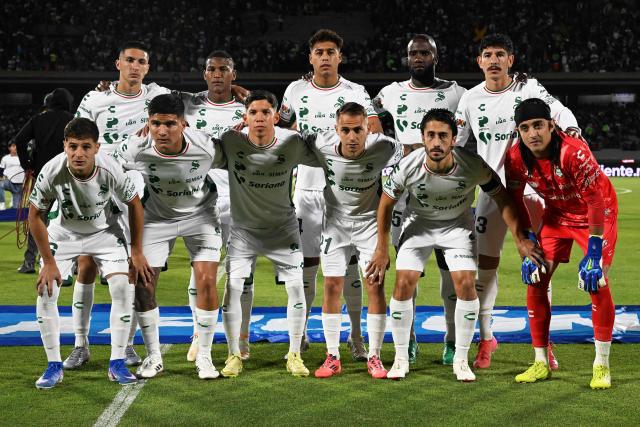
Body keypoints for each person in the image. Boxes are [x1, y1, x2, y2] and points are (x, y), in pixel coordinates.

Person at [367, 108, 540, 381]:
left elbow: (502, 198)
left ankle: (461, 359)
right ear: (423, 138)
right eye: (431, 135)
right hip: (419, 225)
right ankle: (400, 359)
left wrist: (520, 237)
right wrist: (381, 247)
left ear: (454, 138)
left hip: (457, 227)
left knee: (465, 284)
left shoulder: (472, 164)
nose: (437, 142)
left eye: (443, 136)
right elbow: (386, 204)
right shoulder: (408, 166)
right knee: (404, 282)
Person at [455, 34, 580, 369]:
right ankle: (485, 338)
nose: (493, 60)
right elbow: (459, 146)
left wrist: (574, 131)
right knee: (485, 268)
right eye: (487, 55)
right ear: (479, 62)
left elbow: (559, 110)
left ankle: (544, 345)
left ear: (511, 59)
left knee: (540, 269)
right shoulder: (469, 99)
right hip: (493, 193)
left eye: (500, 54)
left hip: (533, 192)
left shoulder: (528, 89)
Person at [279, 29, 382, 360]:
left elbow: (375, 131)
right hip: (307, 190)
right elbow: (281, 132)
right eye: (319, 52)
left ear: (340, 57)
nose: (325, 57)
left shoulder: (356, 92)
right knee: (307, 266)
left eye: (331, 51)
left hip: (344, 193)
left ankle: (356, 337)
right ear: (311, 57)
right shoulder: (295, 90)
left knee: (350, 267)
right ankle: (305, 332)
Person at [68, 41, 171, 370]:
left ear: (147, 67)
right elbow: (77, 134)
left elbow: (198, 102)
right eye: (130, 60)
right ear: (118, 64)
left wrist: (235, 88)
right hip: (96, 185)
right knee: (85, 264)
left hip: (136, 185)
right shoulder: (97, 98)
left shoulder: (156, 96)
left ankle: (125, 345)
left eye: (142, 61)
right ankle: (80, 345)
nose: (136, 66)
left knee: (131, 268)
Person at [28, 117, 151, 389]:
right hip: (64, 234)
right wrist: (48, 262)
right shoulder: (52, 170)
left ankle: (117, 362)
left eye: (85, 147)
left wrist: (137, 250)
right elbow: (35, 216)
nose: (78, 153)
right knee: (46, 290)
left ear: (96, 147)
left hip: (104, 234)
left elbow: (135, 204)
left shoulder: (111, 168)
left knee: (122, 287)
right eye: (73, 147)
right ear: (65, 146)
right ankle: (53, 366)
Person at [505, 98, 617, 389]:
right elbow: (515, 199)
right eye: (525, 128)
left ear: (551, 126)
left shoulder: (574, 153)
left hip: (596, 214)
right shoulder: (515, 157)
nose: (533, 134)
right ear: (518, 131)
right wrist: (528, 237)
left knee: (596, 280)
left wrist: (594, 252)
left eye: (539, 125)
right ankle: (541, 362)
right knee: (535, 277)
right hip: (557, 215)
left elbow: (595, 199)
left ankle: (601, 365)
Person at [112, 93, 225, 380]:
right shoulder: (135, 147)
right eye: (155, 123)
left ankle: (205, 357)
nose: (162, 131)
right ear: (148, 123)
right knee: (143, 284)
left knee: (207, 280)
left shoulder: (207, 147)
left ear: (184, 124)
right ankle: (153, 357)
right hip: (156, 218)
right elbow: (101, 166)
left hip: (201, 216)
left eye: (170, 124)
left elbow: (245, 155)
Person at [373, 33, 466, 365]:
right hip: (405, 196)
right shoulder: (390, 93)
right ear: (406, 57)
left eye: (425, 53)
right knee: (407, 274)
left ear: (435, 57)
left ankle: (453, 341)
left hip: (447, 194)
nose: (419, 57)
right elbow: (366, 112)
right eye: (413, 53)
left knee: (450, 275)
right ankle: (408, 340)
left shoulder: (457, 93)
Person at [217, 90, 317, 378]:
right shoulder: (230, 141)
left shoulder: (292, 142)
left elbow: (325, 153)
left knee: (296, 289)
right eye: (253, 113)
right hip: (244, 230)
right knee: (233, 288)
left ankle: (295, 353)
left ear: (276, 116)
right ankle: (234, 353)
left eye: (265, 112)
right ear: (244, 117)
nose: (259, 118)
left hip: (283, 229)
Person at [308, 102, 403, 379]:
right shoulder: (320, 144)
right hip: (334, 226)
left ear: (367, 129)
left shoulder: (384, 147)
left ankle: (374, 355)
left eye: (358, 130)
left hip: (369, 226)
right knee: (331, 285)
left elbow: (403, 155)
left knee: (375, 286)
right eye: (346, 130)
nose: (352, 137)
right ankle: (332, 356)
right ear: (336, 130)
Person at [182, 50, 255, 362]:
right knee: (200, 270)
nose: (217, 74)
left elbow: (282, 117)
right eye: (211, 69)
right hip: (200, 200)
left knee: (242, 273)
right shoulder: (189, 104)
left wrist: (251, 97)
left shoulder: (248, 107)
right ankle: (200, 332)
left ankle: (242, 336)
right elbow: (148, 96)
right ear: (204, 74)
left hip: (240, 198)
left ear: (233, 75)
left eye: (223, 69)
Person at [12, 88, 74, 274]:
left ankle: (29, 262)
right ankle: (73, 264)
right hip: (69, 177)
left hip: (43, 177)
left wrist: (27, 164)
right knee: (72, 219)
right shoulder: (73, 119)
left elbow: (20, 140)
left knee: (37, 217)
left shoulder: (39, 119)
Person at [0, 142, 25, 209]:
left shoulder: (23, 157)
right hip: (9, 182)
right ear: (9, 148)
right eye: (13, 146)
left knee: (15, 208)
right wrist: (1, 177)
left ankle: (13, 202)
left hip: (20, 186)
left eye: (16, 146)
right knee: (0, 184)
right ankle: (2, 203)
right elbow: (1, 169)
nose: (15, 147)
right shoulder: (5, 158)